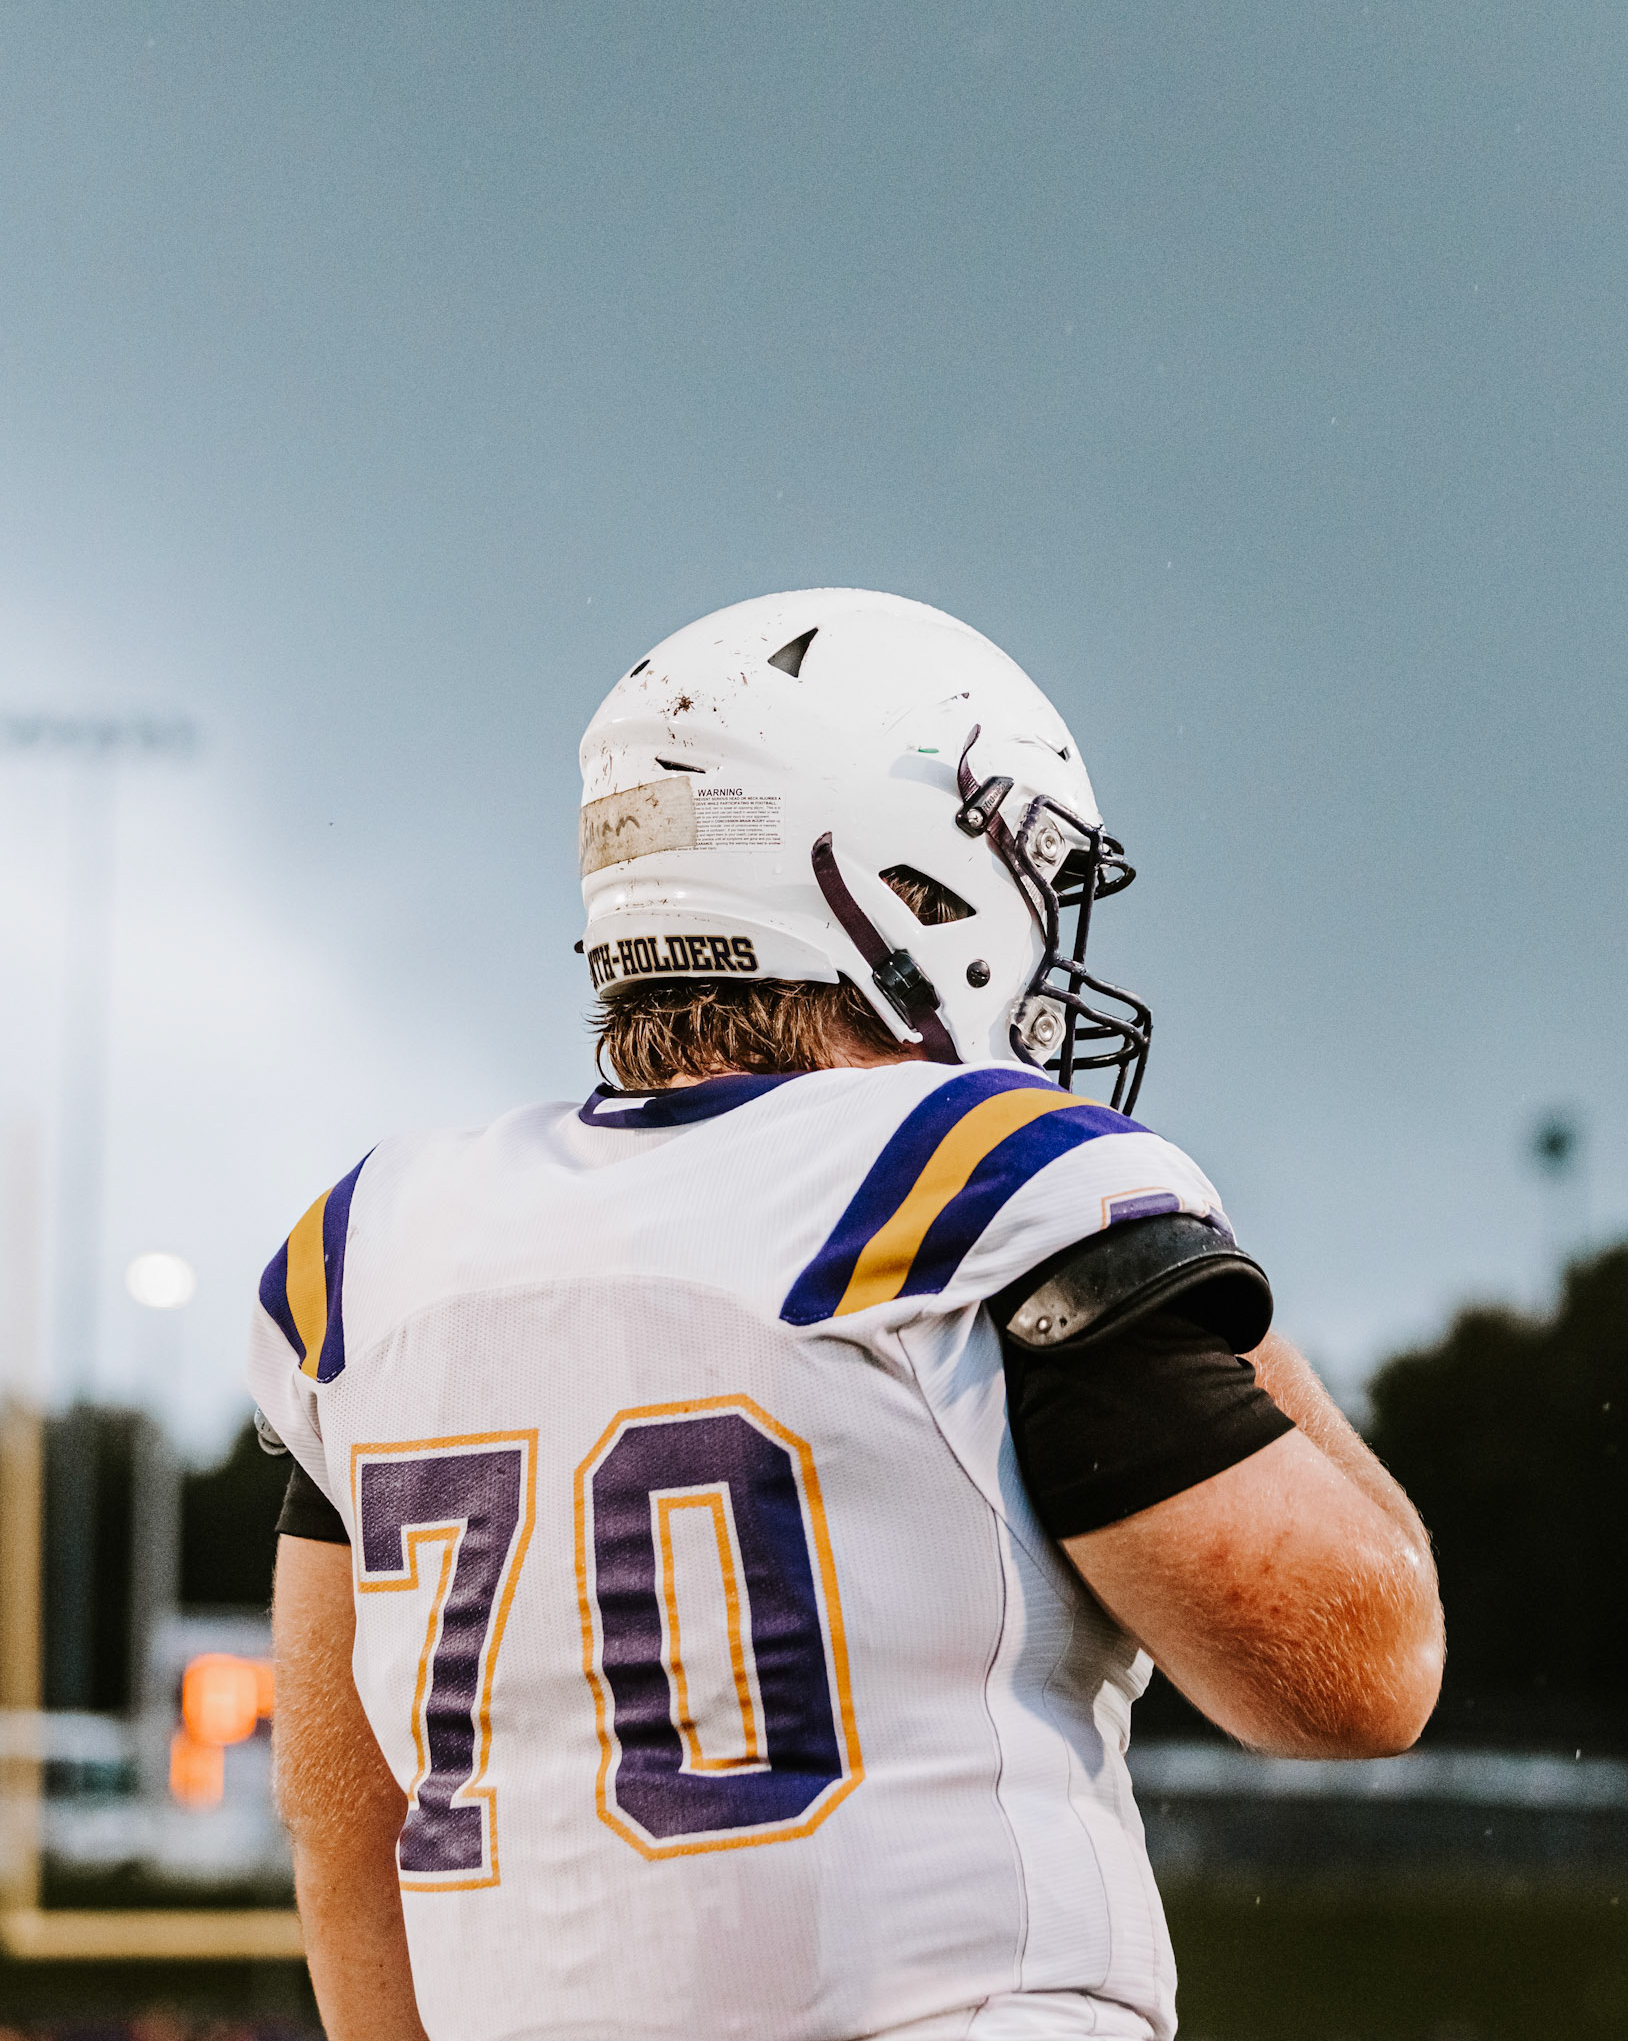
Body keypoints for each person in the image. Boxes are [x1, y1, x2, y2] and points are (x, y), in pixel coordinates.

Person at [251, 589, 1443, 2041]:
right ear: (912, 887)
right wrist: (1198, 1289)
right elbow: (1359, 1676)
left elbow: (347, 1816)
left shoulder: (373, 1246)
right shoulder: (979, 1179)